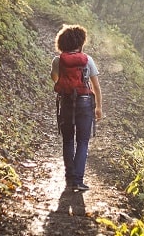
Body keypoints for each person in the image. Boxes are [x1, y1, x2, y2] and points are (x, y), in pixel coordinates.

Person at [50, 24, 103, 192]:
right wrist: (99, 107)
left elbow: (55, 79)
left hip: (66, 101)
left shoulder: (58, 60)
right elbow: (96, 86)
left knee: (67, 140)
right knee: (82, 141)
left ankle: (69, 178)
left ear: (62, 43)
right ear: (80, 43)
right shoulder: (87, 60)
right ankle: (78, 180)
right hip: (85, 102)